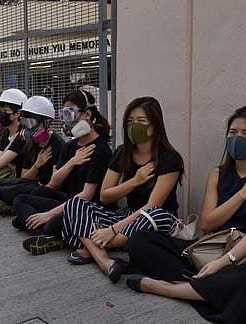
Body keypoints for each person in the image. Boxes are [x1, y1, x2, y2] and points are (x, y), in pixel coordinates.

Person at [125, 106, 246, 324]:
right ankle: (204, 286)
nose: (237, 138)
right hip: (211, 247)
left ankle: (167, 287)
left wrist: (223, 262)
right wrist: (242, 194)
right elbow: (209, 223)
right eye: (233, 133)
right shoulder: (217, 174)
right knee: (139, 240)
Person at [62, 97, 184, 283]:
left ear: (156, 124)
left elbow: (153, 205)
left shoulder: (169, 158)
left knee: (155, 214)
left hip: (155, 218)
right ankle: (105, 262)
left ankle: (90, 244)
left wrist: (111, 229)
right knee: (75, 204)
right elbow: (104, 196)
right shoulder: (122, 152)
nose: (134, 126)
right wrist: (135, 181)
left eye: (141, 121)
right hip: (127, 215)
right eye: (130, 121)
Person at [18, 90, 112, 256]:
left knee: (47, 221)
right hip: (67, 200)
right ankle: (46, 234)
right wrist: (73, 161)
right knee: (22, 198)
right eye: (63, 114)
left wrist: (49, 214)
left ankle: (43, 232)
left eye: (70, 113)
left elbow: (87, 195)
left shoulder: (101, 149)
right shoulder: (70, 146)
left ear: (88, 114)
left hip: (86, 209)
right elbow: (54, 182)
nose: (67, 119)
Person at [0, 95, 65, 215]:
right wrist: (37, 165)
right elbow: (25, 177)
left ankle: (12, 204)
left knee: (19, 195)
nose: (28, 128)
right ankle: (9, 203)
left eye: (31, 122)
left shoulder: (57, 144)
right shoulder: (28, 143)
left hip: (47, 191)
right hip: (30, 186)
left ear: (46, 123)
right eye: (25, 122)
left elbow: (54, 184)